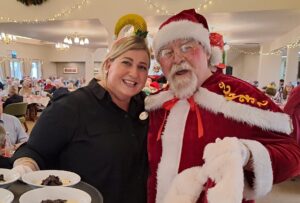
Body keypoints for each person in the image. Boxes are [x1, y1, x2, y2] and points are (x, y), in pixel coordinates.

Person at [146, 9, 300, 203]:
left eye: (186, 47)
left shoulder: (238, 95)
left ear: (206, 51)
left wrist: (247, 155)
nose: (177, 58)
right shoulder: (156, 105)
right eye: (167, 53)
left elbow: (293, 153)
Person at [11, 14, 150, 203]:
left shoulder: (147, 105)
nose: (134, 73)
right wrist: (24, 169)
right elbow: (34, 151)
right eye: (126, 62)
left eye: (142, 67)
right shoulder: (72, 106)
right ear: (109, 64)